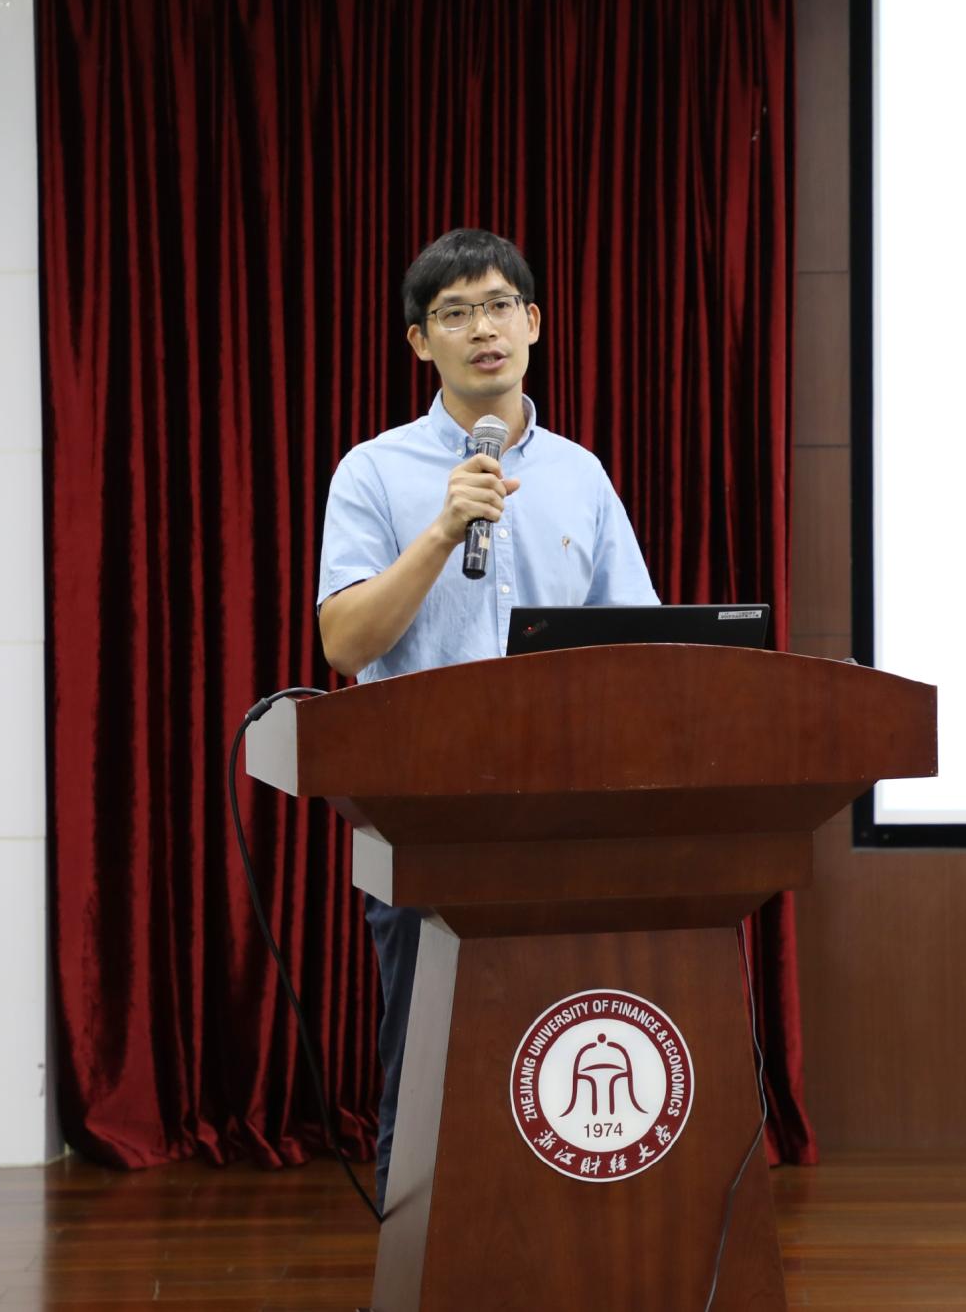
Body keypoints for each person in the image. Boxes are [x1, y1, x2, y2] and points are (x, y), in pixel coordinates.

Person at [315, 227, 657, 1206]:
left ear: (533, 322)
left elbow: (638, 647)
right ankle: (417, 1253)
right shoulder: (374, 472)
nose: (483, 329)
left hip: (565, 813)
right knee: (429, 1062)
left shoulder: (581, 475)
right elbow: (343, 643)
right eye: (455, 313)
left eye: (500, 305)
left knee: (563, 1054)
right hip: (427, 816)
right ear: (420, 340)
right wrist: (442, 528)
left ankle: (562, 1244)